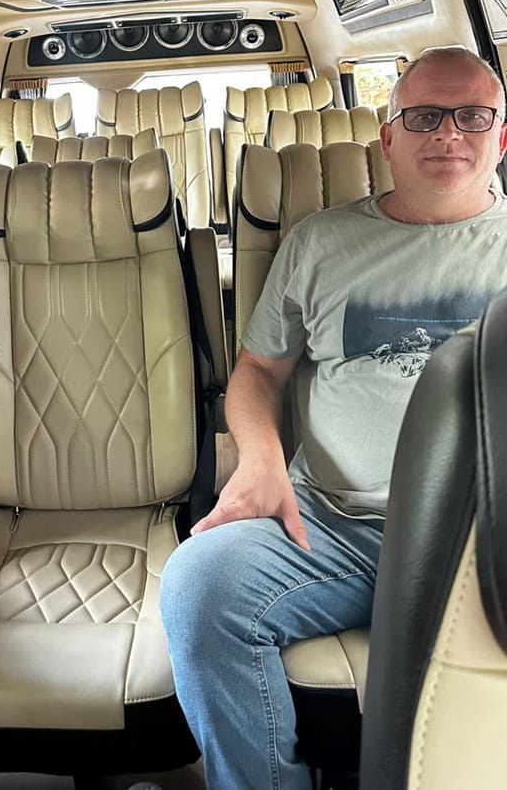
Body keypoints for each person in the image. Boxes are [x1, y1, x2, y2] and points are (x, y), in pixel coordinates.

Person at [160, 47, 507, 789]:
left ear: (501, 137)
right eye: (424, 116)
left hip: (489, 532)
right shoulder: (319, 242)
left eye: (473, 116)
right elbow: (256, 372)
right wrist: (261, 461)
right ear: (389, 137)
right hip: (333, 525)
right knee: (198, 586)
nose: (449, 132)